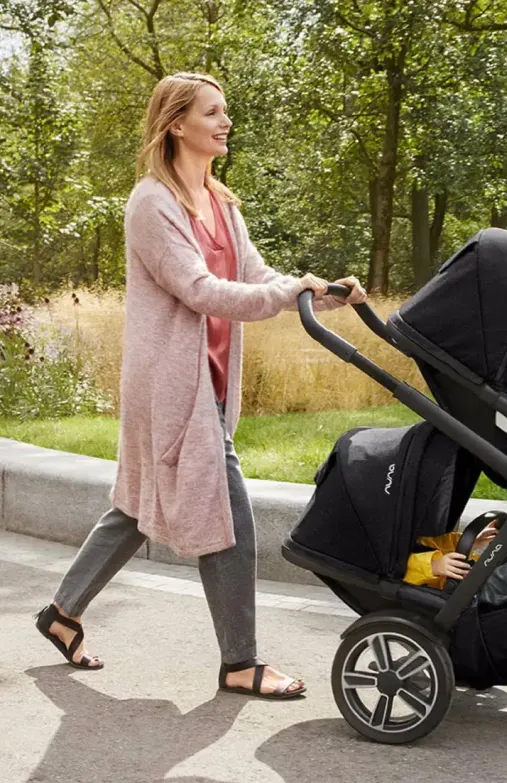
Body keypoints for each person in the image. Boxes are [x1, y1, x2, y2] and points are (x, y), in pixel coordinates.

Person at [34, 72, 367, 700]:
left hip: (208, 384)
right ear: (176, 123)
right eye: (212, 113)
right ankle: (240, 662)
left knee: (136, 506)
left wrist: (318, 292)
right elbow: (199, 290)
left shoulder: (222, 201)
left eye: (225, 112)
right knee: (229, 517)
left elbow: (253, 274)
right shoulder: (151, 204)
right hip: (170, 387)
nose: (225, 122)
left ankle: (60, 614)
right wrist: (281, 294)